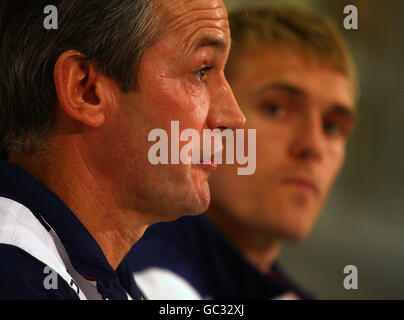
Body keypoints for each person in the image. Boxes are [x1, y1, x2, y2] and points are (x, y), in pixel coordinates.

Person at [0, 0, 245, 300]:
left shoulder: (105, 279)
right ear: (86, 90)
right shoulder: (14, 277)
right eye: (202, 71)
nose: (233, 117)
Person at [129, 6, 358, 300]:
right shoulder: (135, 280)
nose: (313, 146)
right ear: (210, 110)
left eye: (333, 127)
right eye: (277, 109)